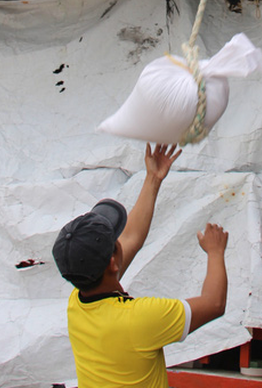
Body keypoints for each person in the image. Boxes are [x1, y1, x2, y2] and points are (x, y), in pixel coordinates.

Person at [52, 143, 228, 388]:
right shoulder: (140, 319)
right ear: (112, 262)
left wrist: (153, 179)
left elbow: (131, 238)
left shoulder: (78, 302)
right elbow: (214, 304)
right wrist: (215, 252)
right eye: (115, 239)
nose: (121, 238)